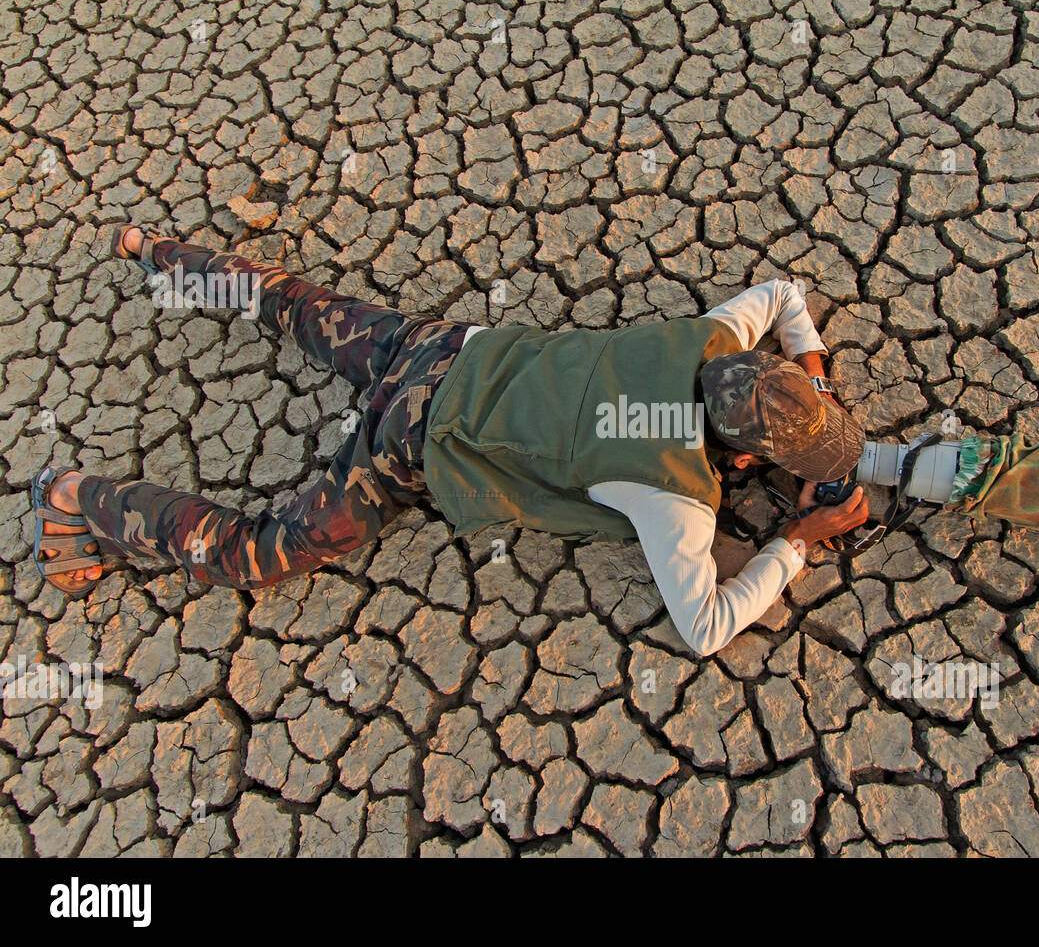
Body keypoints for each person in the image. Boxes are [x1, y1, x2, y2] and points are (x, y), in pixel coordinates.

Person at [31, 228, 871, 655]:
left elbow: (782, 293)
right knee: (260, 553)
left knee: (294, 306)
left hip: (445, 347)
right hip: (413, 437)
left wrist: (813, 377)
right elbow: (707, 628)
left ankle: (156, 252)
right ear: (745, 459)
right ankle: (77, 500)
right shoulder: (670, 493)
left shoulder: (713, 339)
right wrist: (797, 540)